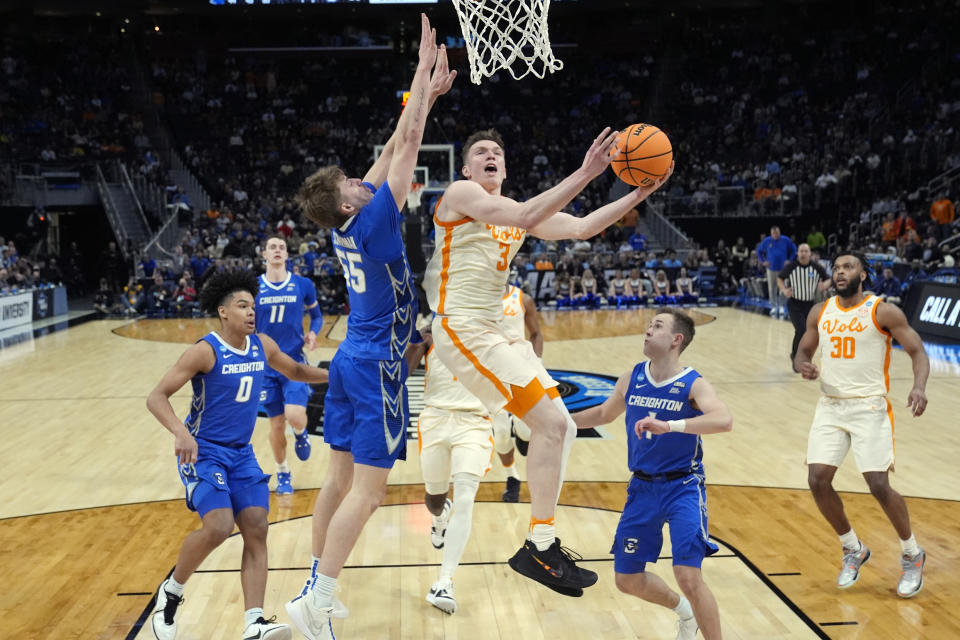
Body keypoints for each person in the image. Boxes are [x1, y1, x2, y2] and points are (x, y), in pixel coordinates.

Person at [422, 124, 672, 597]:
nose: (490, 154)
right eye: (481, 151)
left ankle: (540, 541)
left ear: (505, 167)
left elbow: (581, 227)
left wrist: (638, 191)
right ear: (466, 168)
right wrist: (587, 170)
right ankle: (540, 545)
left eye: (497, 150)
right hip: (461, 325)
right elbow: (529, 211)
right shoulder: (461, 193)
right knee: (553, 426)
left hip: (494, 330)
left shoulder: (514, 213)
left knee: (564, 425)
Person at [284, 16, 456, 639]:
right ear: (352, 201)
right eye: (353, 183)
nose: (363, 176)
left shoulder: (342, 221)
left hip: (350, 359)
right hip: (379, 361)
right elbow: (405, 147)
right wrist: (418, 73)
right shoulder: (378, 220)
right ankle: (318, 597)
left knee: (336, 479)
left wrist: (427, 97)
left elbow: (387, 153)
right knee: (370, 490)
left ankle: (313, 583)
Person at [145, 270, 329, 640]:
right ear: (223, 312)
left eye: (253, 306)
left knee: (257, 527)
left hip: (241, 454)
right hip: (204, 452)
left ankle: (254, 623)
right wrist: (180, 432)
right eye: (242, 306)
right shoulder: (205, 350)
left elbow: (294, 369)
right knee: (218, 526)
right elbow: (156, 397)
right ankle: (172, 591)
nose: (251, 312)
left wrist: (338, 375)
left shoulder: (262, 344)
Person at [572, 309, 732, 640]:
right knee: (627, 579)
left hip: (683, 487)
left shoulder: (692, 383)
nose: (647, 331)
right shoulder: (633, 376)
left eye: (656, 326)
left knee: (688, 576)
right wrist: (560, 420)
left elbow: (723, 420)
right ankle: (683, 611)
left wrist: (671, 425)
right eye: (648, 325)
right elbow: (604, 413)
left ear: (677, 340)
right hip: (642, 488)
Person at [794, 252, 929, 598]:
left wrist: (918, 386)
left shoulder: (882, 311)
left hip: (869, 406)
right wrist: (803, 364)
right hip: (830, 406)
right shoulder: (820, 311)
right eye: (837, 268)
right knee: (817, 479)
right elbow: (802, 351)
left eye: (848, 267)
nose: (840, 272)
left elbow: (917, 351)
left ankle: (912, 553)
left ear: (863, 275)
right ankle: (853, 547)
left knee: (878, 484)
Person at [255, 235, 323, 495]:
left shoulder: (303, 284)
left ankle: (301, 431)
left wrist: (313, 334)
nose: (277, 251)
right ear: (264, 254)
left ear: (286, 255)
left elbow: (316, 316)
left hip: (293, 362)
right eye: (272, 247)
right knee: (275, 425)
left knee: (294, 416)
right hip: (265, 368)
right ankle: (283, 472)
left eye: (282, 247)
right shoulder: (253, 287)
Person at [493, 283, 541, 502]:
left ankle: (519, 429)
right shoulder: (478, 298)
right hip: (493, 373)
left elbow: (536, 333)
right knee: (501, 434)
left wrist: (537, 364)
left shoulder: (523, 299)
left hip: (521, 371)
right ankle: (512, 477)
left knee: (526, 433)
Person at [777, 243, 830, 371]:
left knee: (808, 333)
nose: (803, 253)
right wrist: (784, 290)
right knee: (801, 330)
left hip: (809, 305)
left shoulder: (817, 267)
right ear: (797, 253)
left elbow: (829, 279)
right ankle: (796, 358)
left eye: (806, 251)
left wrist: (824, 285)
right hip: (794, 304)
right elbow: (780, 278)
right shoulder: (791, 266)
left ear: (810, 253)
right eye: (801, 251)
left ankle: (799, 356)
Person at [757, 226, 797, 318]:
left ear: (780, 232)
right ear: (771, 234)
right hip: (771, 269)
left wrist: (789, 260)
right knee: (772, 288)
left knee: (783, 287)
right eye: (773, 233)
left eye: (777, 233)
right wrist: (763, 261)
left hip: (783, 269)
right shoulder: (767, 241)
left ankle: (782, 306)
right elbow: (759, 251)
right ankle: (774, 306)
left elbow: (794, 249)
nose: (775, 234)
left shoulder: (785, 240)